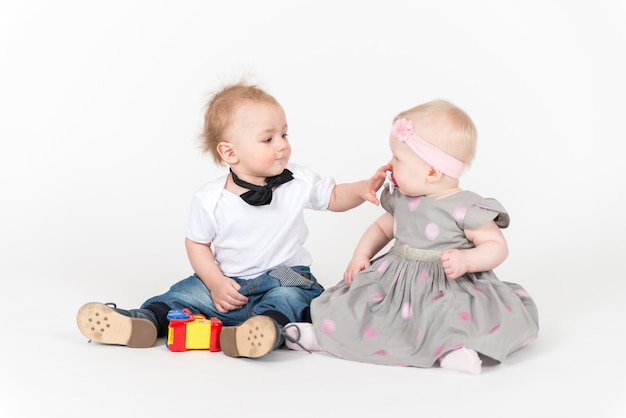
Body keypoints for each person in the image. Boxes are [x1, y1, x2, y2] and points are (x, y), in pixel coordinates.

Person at [76, 80, 387, 359]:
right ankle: (143, 322)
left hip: (284, 275)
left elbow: (333, 197)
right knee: (184, 294)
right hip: (227, 283)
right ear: (230, 152)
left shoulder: (298, 180)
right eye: (268, 139)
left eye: (284, 134)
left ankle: (260, 331)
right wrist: (215, 282)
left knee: (292, 297)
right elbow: (197, 244)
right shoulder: (210, 198)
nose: (282, 144)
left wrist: (361, 189)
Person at [284, 99, 539, 374]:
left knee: (448, 316)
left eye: (398, 158)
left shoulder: (467, 207)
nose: (390, 164)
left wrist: (467, 260)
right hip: (395, 282)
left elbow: (496, 246)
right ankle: (323, 335)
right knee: (360, 303)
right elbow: (381, 229)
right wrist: (361, 256)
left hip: (447, 285)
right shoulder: (404, 200)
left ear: (432, 171)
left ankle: (452, 351)